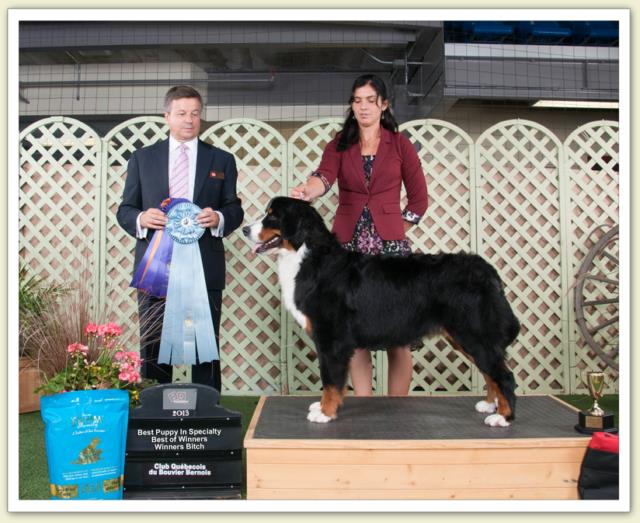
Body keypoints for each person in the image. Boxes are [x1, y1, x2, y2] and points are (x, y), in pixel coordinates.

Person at [291, 74, 428, 397]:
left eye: (370, 100)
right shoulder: (339, 144)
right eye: (357, 100)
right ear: (351, 105)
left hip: (392, 254)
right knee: (353, 331)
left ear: (384, 104)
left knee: (399, 335)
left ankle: (397, 409)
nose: (363, 107)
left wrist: (394, 230)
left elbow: (420, 200)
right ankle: (364, 405)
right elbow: (323, 177)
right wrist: (307, 191)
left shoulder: (401, 145)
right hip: (347, 250)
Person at [117, 85, 243, 391]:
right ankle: (153, 409)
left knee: (205, 344)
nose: (189, 120)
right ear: (167, 116)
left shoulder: (222, 160)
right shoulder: (142, 159)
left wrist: (220, 218)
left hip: (205, 265)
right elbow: (125, 209)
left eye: (195, 113)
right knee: (154, 344)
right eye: (182, 113)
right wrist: (141, 218)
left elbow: (234, 208)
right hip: (156, 266)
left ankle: (208, 411)